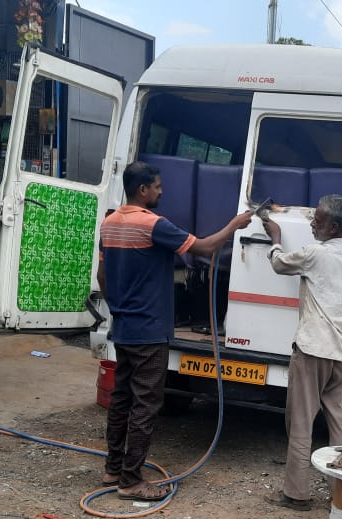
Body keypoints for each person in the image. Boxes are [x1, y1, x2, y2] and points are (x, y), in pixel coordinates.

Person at [95, 161, 251, 501]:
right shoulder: (153, 224)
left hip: (124, 328)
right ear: (143, 190)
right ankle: (131, 481)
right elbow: (206, 248)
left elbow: (102, 276)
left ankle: (113, 469)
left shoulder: (110, 223)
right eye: (157, 186)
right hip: (150, 331)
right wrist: (235, 225)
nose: (161, 191)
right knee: (146, 404)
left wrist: (117, 309)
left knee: (122, 400)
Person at [262, 194, 342, 512]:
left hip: (311, 351)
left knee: (301, 424)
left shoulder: (314, 254)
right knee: (340, 424)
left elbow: (278, 264)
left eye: (318, 220)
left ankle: (296, 495)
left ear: (334, 227)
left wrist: (275, 238)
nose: (313, 224)